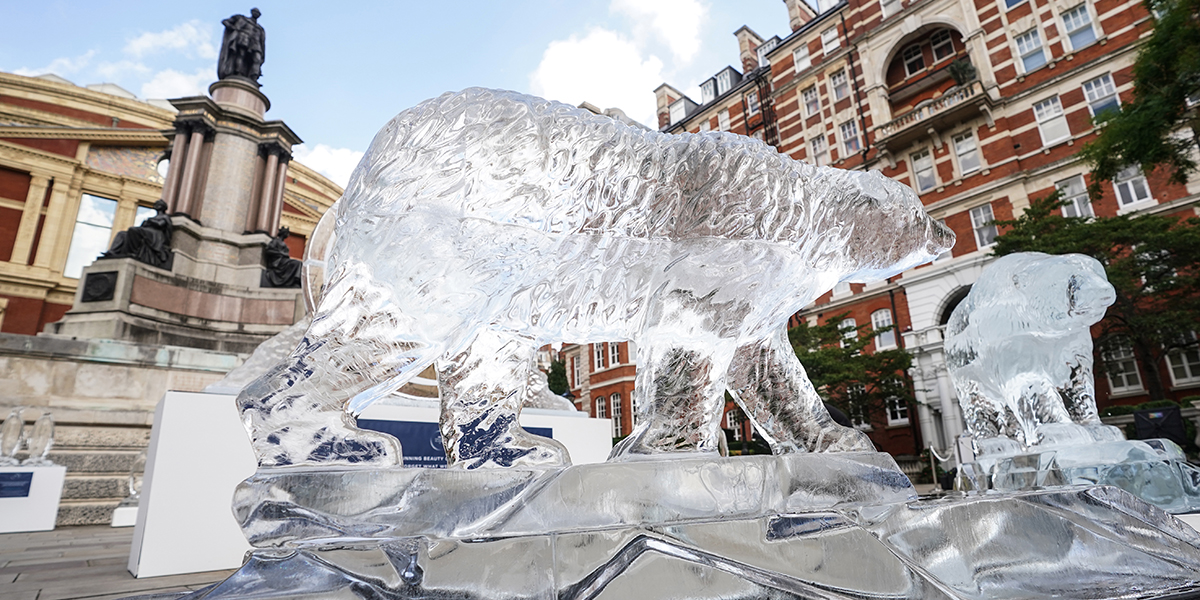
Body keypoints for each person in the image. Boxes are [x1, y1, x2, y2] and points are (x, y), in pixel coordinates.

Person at [101, 199, 173, 270]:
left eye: (158, 204)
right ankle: (112, 252)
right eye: (156, 204)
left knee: (132, 230)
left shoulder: (165, 217)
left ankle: (133, 252)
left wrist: (150, 221)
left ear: (162, 206)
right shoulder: (153, 218)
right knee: (122, 234)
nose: (156, 206)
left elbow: (160, 224)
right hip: (146, 232)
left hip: (155, 234)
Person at [218, 8, 266, 81]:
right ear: (251, 12)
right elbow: (225, 21)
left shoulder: (260, 28)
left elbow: (262, 42)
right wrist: (234, 28)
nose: (256, 14)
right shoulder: (243, 19)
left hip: (255, 44)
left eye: (258, 13)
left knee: (257, 59)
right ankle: (238, 73)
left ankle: (254, 77)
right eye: (255, 12)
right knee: (241, 55)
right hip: (243, 38)